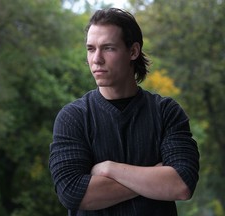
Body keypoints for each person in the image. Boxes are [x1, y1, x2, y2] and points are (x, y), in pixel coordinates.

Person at [49, 8, 199, 216]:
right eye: (91, 49)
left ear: (133, 51)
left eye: (108, 48)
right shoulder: (73, 117)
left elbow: (181, 185)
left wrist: (110, 169)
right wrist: (155, 178)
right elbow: (72, 193)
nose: (96, 59)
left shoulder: (166, 112)